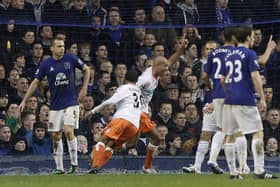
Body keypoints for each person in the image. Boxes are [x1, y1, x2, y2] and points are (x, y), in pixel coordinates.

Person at [18, 37, 90, 174]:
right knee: (56, 136)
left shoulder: (71, 59)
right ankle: (59, 168)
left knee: (68, 131)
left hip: (71, 103)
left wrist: (84, 87)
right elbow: (35, 82)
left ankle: (74, 164)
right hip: (55, 105)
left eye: (63, 46)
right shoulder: (46, 64)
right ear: (52, 48)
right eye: (58, 46)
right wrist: (24, 100)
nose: (62, 48)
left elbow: (87, 69)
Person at [183, 26, 249, 174]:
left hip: (221, 99)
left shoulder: (220, 59)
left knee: (230, 131)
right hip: (212, 102)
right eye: (207, 49)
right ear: (203, 51)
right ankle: (197, 166)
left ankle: (237, 165)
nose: (210, 51)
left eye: (212, 48)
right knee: (206, 133)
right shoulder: (207, 65)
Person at [220, 26, 277, 179]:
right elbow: (255, 76)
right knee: (257, 132)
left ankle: (233, 173)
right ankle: (259, 170)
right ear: (247, 38)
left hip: (229, 100)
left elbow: (222, 80)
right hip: (245, 99)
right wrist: (262, 98)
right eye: (252, 36)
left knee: (230, 135)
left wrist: (229, 93)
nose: (253, 38)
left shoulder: (229, 55)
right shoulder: (249, 53)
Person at [135, 37, 187, 173]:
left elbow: (170, 62)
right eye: (164, 67)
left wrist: (181, 50)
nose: (166, 68)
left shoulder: (155, 73)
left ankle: (147, 167)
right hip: (135, 111)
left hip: (142, 112)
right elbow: (132, 90)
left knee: (156, 138)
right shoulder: (145, 78)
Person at [88, 70, 143, 174]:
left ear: (126, 79)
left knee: (103, 140)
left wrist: (93, 110)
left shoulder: (124, 88)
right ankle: (97, 167)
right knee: (111, 146)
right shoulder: (139, 92)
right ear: (137, 80)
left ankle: (94, 164)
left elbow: (111, 101)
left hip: (122, 119)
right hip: (134, 125)